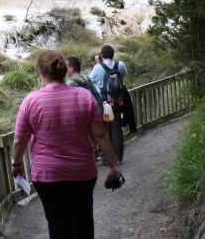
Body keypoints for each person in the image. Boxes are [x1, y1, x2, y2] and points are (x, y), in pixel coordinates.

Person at [12, 50, 122, 239]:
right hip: (82, 173)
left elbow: (19, 140)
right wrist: (113, 166)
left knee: (57, 225)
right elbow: (101, 135)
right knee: (83, 223)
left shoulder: (30, 101)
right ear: (65, 71)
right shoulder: (83, 96)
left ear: (41, 73)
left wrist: (17, 164)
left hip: (47, 176)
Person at [89, 45, 127, 162]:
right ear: (113, 54)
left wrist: (98, 63)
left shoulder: (98, 67)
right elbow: (123, 75)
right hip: (119, 101)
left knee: (106, 129)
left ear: (101, 55)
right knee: (117, 128)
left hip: (106, 104)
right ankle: (119, 156)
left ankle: (109, 158)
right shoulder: (120, 65)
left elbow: (90, 81)